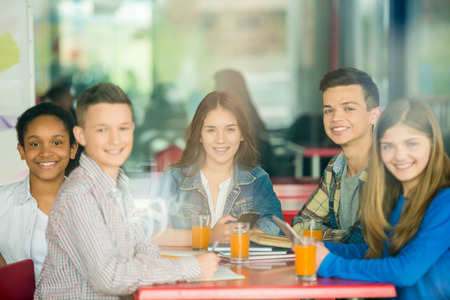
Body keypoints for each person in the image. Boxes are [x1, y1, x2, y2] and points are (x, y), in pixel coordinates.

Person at [35, 83, 219, 298]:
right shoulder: (79, 194)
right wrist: (192, 267)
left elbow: (142, 248)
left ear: (132, 129)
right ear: (81, 135)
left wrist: (189, 265)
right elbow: (109, 277)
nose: (115, 140)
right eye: (102, 129)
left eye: (122, 128)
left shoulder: (117, 185)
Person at [315, 99, 450, 299]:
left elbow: (405, 271)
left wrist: (329, 263)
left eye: (411, 143)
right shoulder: (394, 196)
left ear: (433, 143)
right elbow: (378, 253)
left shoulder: (445, 202)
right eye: (388, 146)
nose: (400, 156)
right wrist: (321, 248)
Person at [153, 90, 283, 246]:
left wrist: (242, 234)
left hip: (240, 269)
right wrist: (207, 236)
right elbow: (148, 233)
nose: (221, 139)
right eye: (211, 130)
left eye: (230, 129)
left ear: (242, 134)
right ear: (200, 135)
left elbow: (276, 228)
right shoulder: (174, 179)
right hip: (192, 269)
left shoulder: (257, 180)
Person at [292, 67, 382, 243]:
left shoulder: (386, 167)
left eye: (348, 108)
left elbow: (364, 240)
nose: (335, 118)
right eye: (328, 110)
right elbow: (300, 226)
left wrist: (320, 235)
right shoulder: (337, 166)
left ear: (374, 115)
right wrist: (343, 235)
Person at [0, 102, 79, 283]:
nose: (46, 152)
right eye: (35, 144)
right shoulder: (2, 203)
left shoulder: (95, 204)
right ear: (22, 151)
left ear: (72, 149)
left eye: (57, 142)